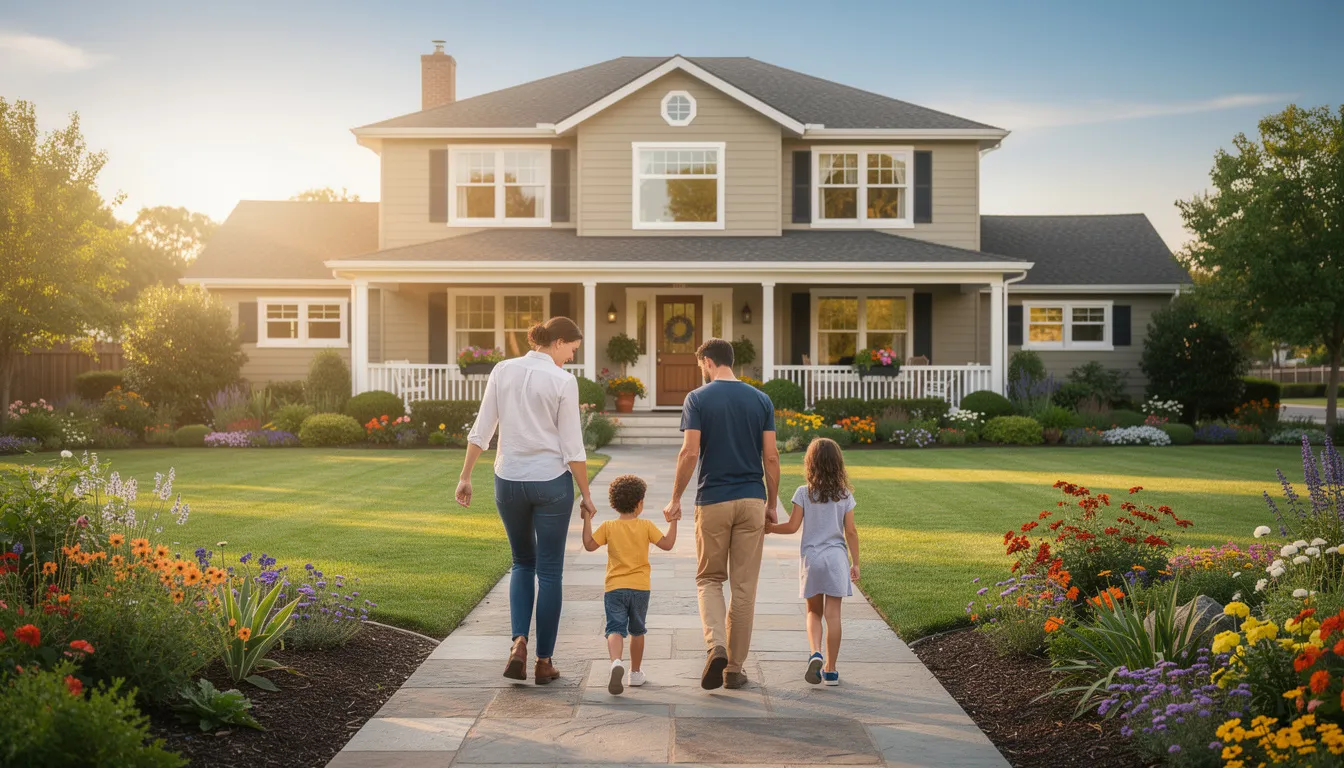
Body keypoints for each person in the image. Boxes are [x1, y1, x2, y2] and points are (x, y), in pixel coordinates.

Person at [456, 316, 598, 685]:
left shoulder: (503, 370)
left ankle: (518, 642)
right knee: (549, 571)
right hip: (551, 483)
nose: (570, 357)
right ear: (558, 342)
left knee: (522, 563)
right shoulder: (563, 381)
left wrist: (466, 475)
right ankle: (543, 662)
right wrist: (586, 493)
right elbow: (573, 447)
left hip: (509, 481)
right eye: (571, 349)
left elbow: (483, 427)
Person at [664, 337, 780, 691]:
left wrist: (675, 498)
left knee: (710, 579)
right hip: (751, 501)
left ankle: (716, 645)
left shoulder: (698, 398)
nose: (702, 371)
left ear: (708, 362)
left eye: (702, 366)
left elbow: (689, 453)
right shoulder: (761, 400)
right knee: (744, 588)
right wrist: (772, 504)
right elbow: (771, 457)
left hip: (712, 500)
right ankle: (733, 669)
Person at [766, 437, 860, 686]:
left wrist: (770, 528)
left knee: (813, 612)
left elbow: (793, 526)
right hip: (837, 559)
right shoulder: (844, 495)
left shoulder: (803, 493)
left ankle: (815, 653)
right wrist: (856, 563)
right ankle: (830, 670)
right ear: (838, 464)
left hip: (812, 560)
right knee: (834, 616)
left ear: (810, 463)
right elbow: (850, 531)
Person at [581, 474, 677, 695]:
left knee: (615, 628)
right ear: (639, 503)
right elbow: (668, 544)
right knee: (637, 630)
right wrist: (674, 522)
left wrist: (586, 518)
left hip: (614, 588)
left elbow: (588, 545)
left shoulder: (608, 527)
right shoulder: (646, 526)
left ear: (615, 503)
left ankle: (616, 662)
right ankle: (635, 673)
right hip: (640, 588)